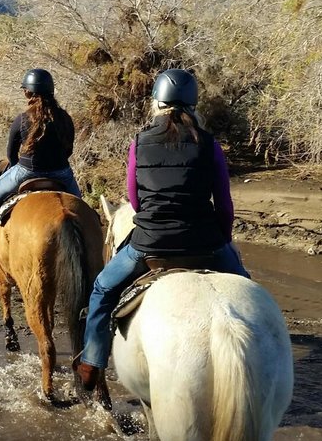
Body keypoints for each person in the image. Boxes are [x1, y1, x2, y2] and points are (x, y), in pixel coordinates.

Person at [73, 68, 249, 391]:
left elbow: (134, 200)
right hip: (206, 243)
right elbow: (224, 206)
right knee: (251, 295)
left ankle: (92, 364)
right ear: (193, 106)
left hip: (150, 244)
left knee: (101, 289)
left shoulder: (139, 144)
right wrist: (223, 242)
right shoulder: (209, 146)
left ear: (156, 103)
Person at [0, 68, 84, 270]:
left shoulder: (22, 119)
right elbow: (69, 149)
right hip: (62, 174)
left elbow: (10, 154)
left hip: (26, 172)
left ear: (28, 93)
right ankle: (86, 250)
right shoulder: (65, 118)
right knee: (84, 211)